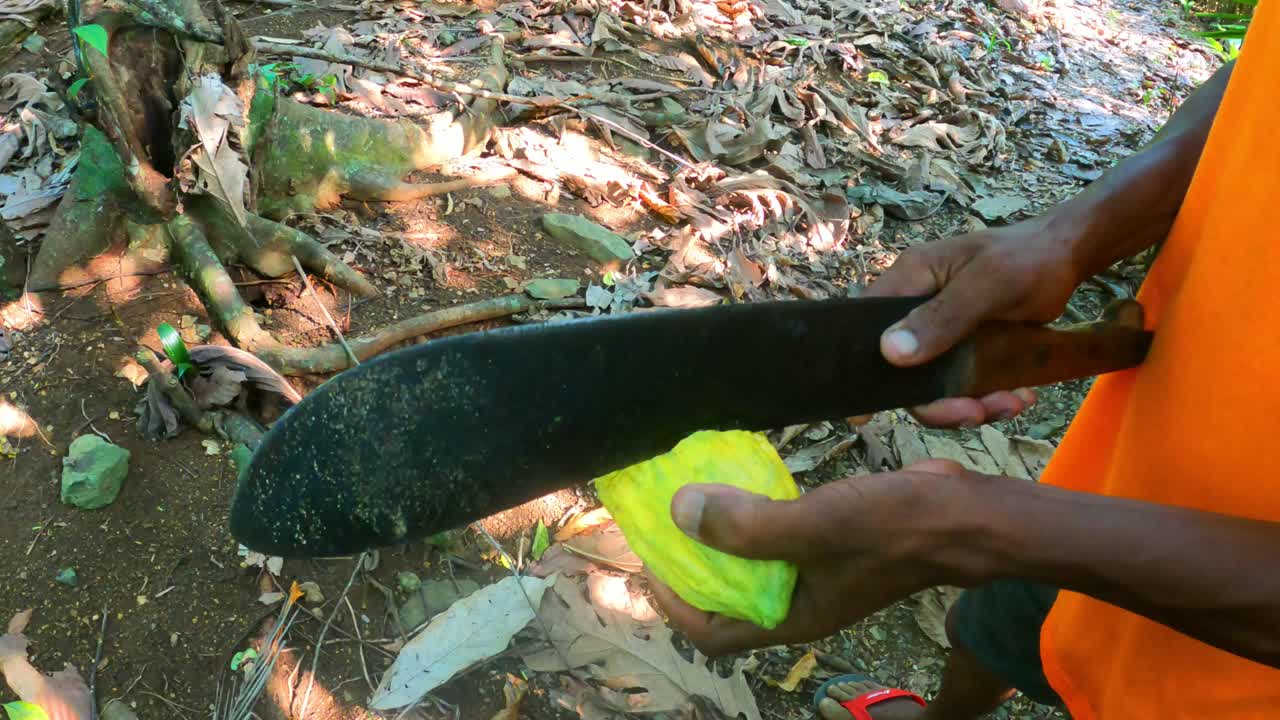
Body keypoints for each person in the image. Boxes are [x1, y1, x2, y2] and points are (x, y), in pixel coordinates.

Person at [647, 2, 1280, 718]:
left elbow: (990, 530)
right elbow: (1261, 84)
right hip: (1121, 480)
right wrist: (1075, 233)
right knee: (999, 630)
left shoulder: (1004, 525)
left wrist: (971, 527)